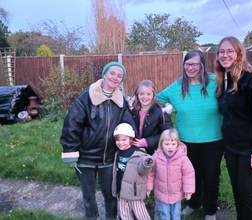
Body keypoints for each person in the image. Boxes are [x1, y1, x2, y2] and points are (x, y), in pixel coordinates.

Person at [60, 61, 138, 220]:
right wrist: (70, 150)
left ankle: (111, 217)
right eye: (112, 73)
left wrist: (134, 142)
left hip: (108, 157)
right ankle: (91, 217)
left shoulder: (121, 102)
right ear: (104, 74)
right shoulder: (86, 97)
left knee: (110, 193)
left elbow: (129, 125)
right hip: (85, 157)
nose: (115, 78)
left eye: (119, 76)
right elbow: (72, 124)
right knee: (88, 194)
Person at [156, 49, 224, 220]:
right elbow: (155, 98)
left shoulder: (216, 82)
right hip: (185, 141)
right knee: (189, 175)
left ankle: (210, 209)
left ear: (202, 65)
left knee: (210, 176)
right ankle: (194, 203)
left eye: (194, 64)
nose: (190, 67)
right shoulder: (177, 86)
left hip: (213, 140)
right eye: (187, 64)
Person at [215, 36, 252, 220]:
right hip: (234, 148)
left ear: (239, 53)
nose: (225, 55)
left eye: (230, 51)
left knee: (248, 194)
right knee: (238, 192)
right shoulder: (225, 80)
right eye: (222, 52)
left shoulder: (251, 81)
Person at [147, 128, 195, 220]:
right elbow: (151, 173)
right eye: (167, 144)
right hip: (162, 192)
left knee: (176, 213)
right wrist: (149, 187)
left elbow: (188, 174)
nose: (170, 147)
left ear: (178, 145)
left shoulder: (182, 159)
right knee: (164, 213)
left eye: (173, 144)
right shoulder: (156, 157)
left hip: (176, 192)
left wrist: (188, 190)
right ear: (161, 144)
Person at [112, 123, 154, 220]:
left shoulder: (138, 154)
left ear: (131, 139)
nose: (120, 142)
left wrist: (146, 164)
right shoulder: (117, 152)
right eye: (117, 140)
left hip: (134, 191)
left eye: (124, 140)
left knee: (140, 213)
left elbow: (143, 169)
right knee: (124, 212)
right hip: (121, 189)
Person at [131, 79, 173, 155]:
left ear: (153, 95)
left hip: (154, 152)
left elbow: (167, 134)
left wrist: (147, 142)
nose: (145, 97)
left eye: (148, 94)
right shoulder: (131, 110)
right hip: (134, 150)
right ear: (137, 95)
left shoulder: (162, 111)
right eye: (141, 94)